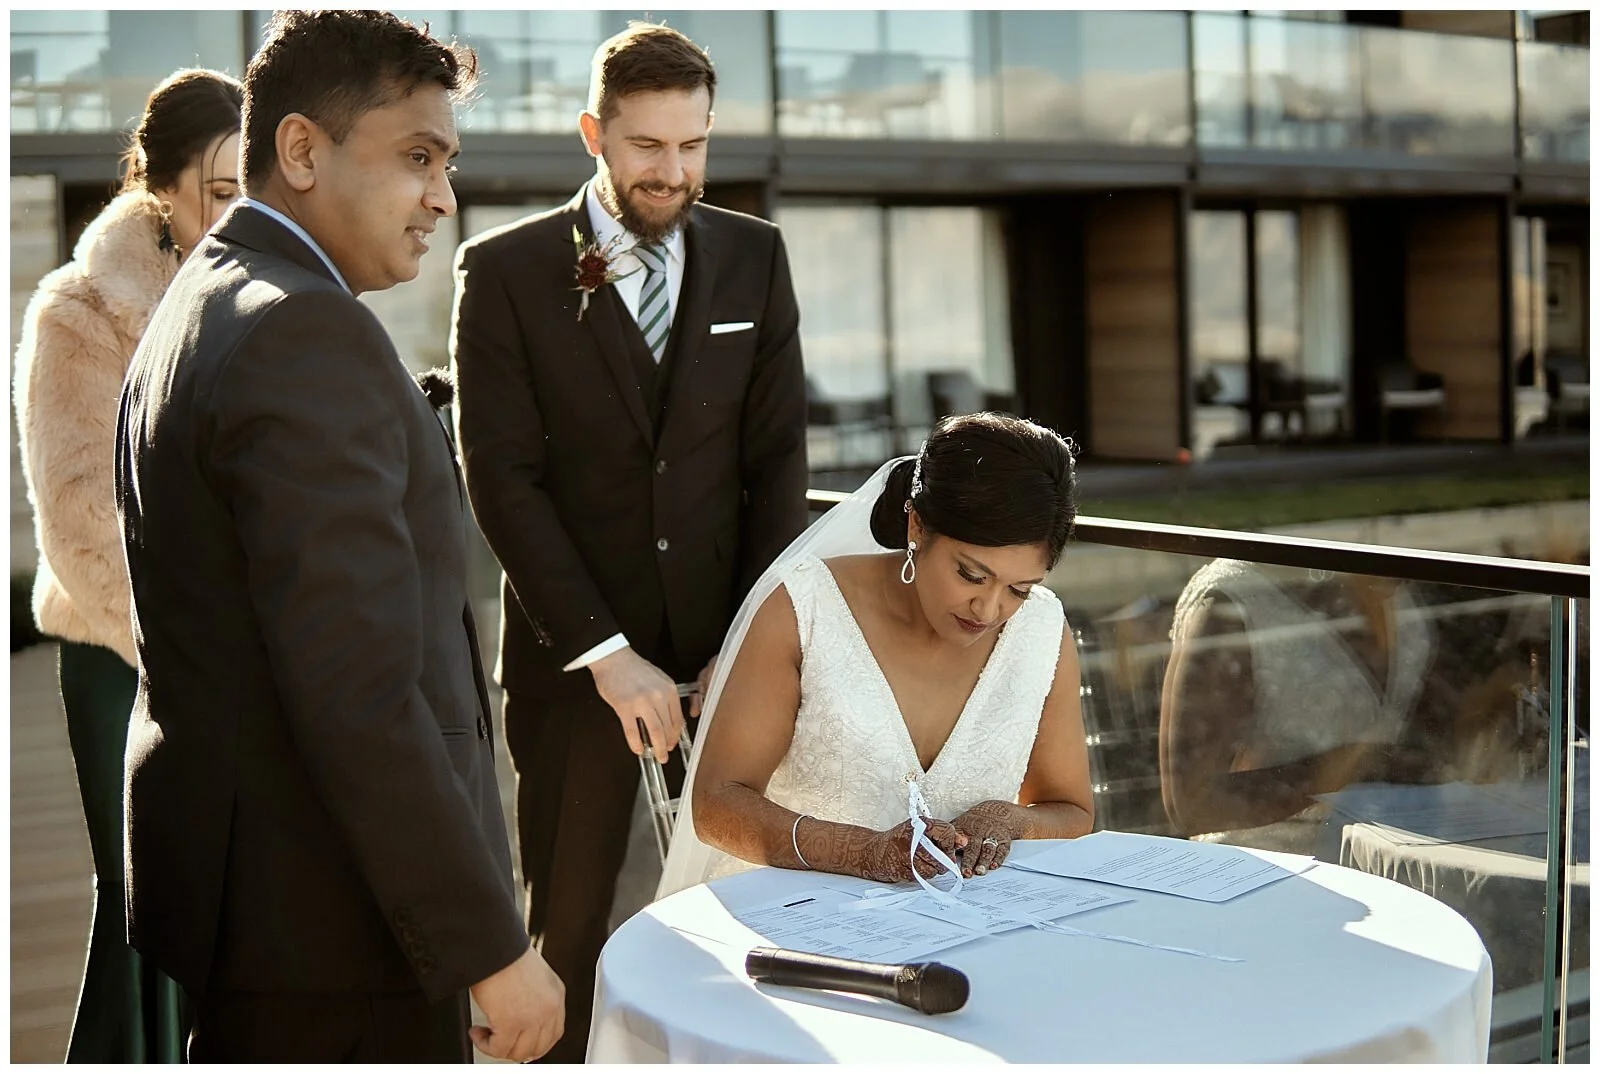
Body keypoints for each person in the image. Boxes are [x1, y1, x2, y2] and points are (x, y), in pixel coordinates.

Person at [114, 11, 562, 1063]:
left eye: (446, 164)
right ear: (303, 149)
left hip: (262, 911)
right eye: (417, 157)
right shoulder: (300, 329)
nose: (441, 199)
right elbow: (357, 690)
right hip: (333, 929)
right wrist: (486, 946)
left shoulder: (204, 300)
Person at [449, 21, 808, 1061]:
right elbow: (501, 483)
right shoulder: (504, 272)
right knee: (566, 929)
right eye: (648, 146)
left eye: (693, 145)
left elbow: (775, 460)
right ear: (592, 135)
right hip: (576, 672)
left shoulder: (757, 254)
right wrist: (609, 657)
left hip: (723, 666)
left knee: (744, 918)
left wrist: (743, 650)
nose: (675, 170)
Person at [12, 66, 241, 1063]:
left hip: (242, 662)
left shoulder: (254, 299)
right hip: (123, 657)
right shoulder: (76, 312)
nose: (239, 213)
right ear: (158, 181)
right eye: (220, 190)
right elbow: (75, 523)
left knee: (227, 906)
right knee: (146, 900)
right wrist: (182, 651)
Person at [660, 412, 1096, 894]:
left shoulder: (1041, 628)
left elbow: (1071, 810)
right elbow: (717, 805)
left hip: (964, 928)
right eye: (972, 575)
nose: (989, 608)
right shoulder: (802, 608)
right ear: (917, 527)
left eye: (1019, 588)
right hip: (788, 919)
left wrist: (1008, 819)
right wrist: (861, 852)